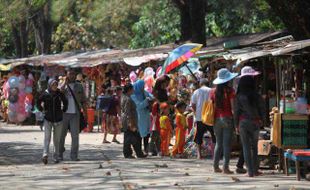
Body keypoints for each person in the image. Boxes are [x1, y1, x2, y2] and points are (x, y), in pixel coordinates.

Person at [235, 68, 265, 177]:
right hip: (255, 122)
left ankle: (250, 172)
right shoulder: (256, 95)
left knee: (246, 147)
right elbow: (262, 108)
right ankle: (255, 170)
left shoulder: (239, 96)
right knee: (254, 147)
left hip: (243, 122)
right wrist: (263, 120)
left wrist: (236, 125)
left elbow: (237, 112)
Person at [211, 68, 238, 174]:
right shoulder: (230, 91)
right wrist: (235, 121)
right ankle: (225, 167)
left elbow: (212, 106)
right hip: (227, 118)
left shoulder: (213, 91)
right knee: (226, 144)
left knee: (218, 143)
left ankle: (215, 166)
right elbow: (232, 108)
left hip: (216, 119)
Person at [37, 78, 68, 164]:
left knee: (56, 139)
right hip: (48, 119)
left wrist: (64, 109)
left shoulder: (59, 94)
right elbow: (38, 101)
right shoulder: (45, 94)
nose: (54, 86)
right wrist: (41, 109)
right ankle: (45, 154)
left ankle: (56, 156)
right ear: (49, 85)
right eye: (53, 84)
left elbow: (65, 101)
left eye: (55, 84)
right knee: (47, 138)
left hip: (59, 119)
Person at [59, 69, 87, 161]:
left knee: (75, 136)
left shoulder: (79, 86)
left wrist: (85, 113)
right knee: (61, 135)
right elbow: (59, 93)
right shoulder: (62, 84)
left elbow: (83, 101)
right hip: (64, 114)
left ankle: (74, 156)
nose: (72, 75)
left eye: (73, 74)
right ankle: (59, 154)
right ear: (67, 75)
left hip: (75, 114)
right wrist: (65, 83)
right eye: (70, 74)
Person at [191, 78, 216, 159]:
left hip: (199, 116)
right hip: (210, 117)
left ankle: (199, 154)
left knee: (199, 135)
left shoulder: (196, 92)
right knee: (214, 135)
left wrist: (195, 113)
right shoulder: (212, 90)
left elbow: (193, 104)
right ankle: (215, 154)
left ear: (200, 84)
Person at [121, 83, 147, 158]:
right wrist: (130, 123)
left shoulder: (124, 97)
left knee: (133, 137)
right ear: (129, 90)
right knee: (130, 137)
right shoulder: (128, 99)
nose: (133, 90)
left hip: (128, 120)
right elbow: (127, 112)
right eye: (132, 89)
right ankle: (129, 153)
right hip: (129, 120)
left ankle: (138, 153)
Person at [131, 80, 153, 153]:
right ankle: (138, 150)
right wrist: (146, 101)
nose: (142, 87)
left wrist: (151, 98)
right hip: (139, 116)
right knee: (139, 133)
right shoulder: (133, 95)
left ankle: (146, 148)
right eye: (141, 86)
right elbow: (138, 106)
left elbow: (151, 96)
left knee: (147, 132)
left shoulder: (144, 92)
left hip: (146, 115)